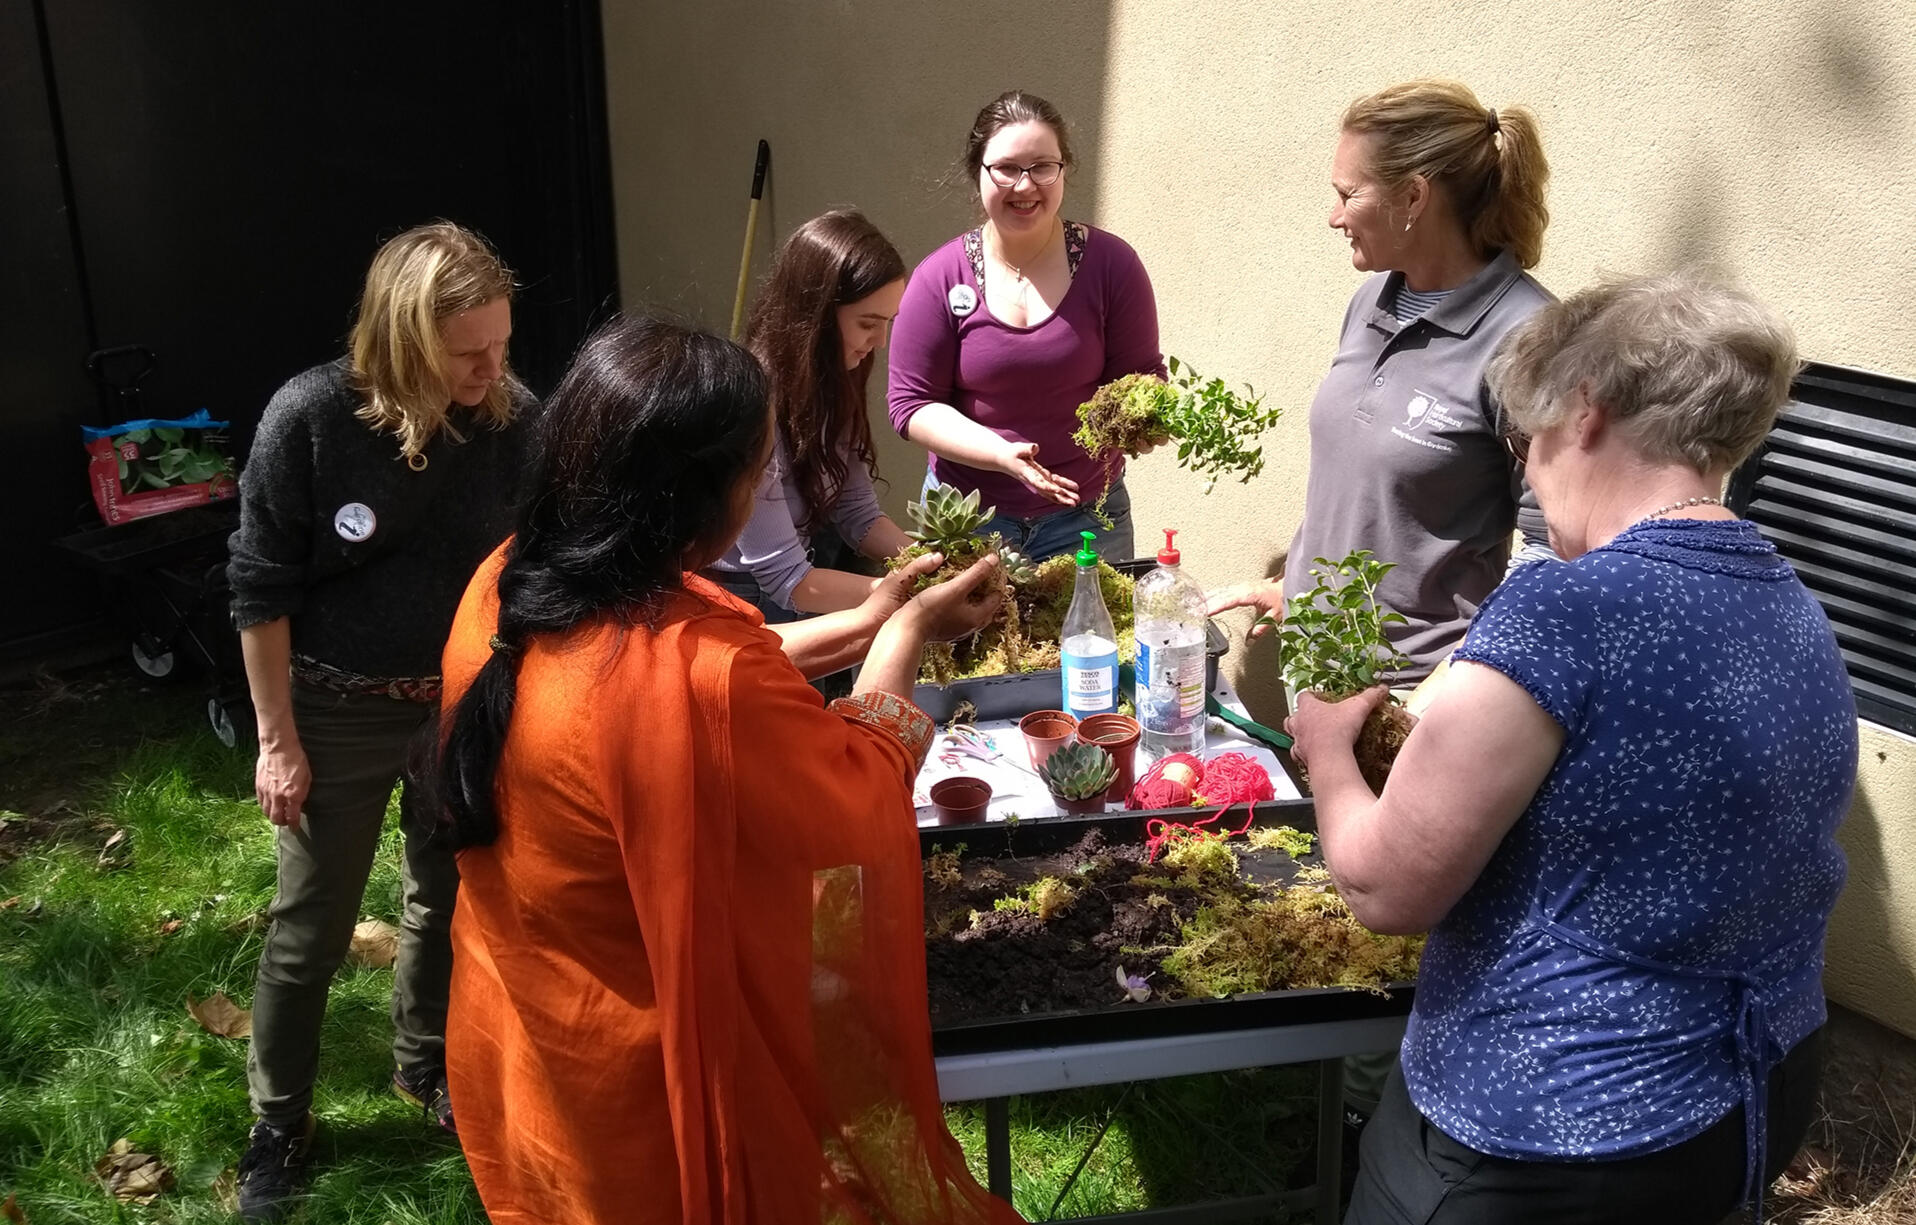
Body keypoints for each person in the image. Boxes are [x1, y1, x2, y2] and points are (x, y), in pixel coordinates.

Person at [1287, 273, 1856, 1225]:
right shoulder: (1792, 607)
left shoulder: (1567, 609)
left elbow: (1386, 887)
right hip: (1752, 1092)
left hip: (1550, 1126)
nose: (1530, 471)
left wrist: (1329, 752)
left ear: (1584, 411)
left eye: (1524, 439)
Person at [436, 314, 1024, 1224]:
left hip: (530, 1033)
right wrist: (905, 636)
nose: (761, 491)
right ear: (702, 501)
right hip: (651, 1086)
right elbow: (854, 784)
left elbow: (715, 666)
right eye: (758, 472)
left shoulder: (511, 582)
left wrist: (874, 616)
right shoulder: (690, 671)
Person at [224, 221, 533, 1221]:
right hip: (335, 706)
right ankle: (279, 1121)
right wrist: (278, 740)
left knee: (447, 898)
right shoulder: (309, 419)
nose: (493, 369)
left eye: (500, 343)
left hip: (456, 703)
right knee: (309, 929)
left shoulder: (507, 419)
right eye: (467, 353)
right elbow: (258, 589)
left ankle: (427, 1063)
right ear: (405, 341)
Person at [1212, 80, 1554, 681]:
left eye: (1348, 194)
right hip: (1317, 672)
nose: (1334, 216)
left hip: (1418, 695)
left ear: (1414, 197)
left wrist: (1462, 681)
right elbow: (1360, 486)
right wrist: (1300, 591)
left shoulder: (1529, 339)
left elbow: (1557, 549)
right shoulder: (1373, 298)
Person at [888, 89, 1165, 562]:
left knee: (1093, 638)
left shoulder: (1112, 265)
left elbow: (1141, 377)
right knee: (964, 639)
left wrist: (1149, 420)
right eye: (1007, 168)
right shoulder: (939, 277)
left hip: (1088, 517)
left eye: (1042, 167)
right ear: (978, 171)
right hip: (967, 517)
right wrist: (1001, 455)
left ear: (1064, 170)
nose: (1025, 185)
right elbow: (911, 405)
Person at [706, 209, 913, 621]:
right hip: (738, 602)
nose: (881, 341)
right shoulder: (749, 402)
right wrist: (911, 594)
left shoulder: (835, 380)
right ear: (814, 318)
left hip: (807, 583)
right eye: (869, 323)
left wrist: (932, 564)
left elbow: (859, 514)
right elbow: (786, 578)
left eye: (888, 322)